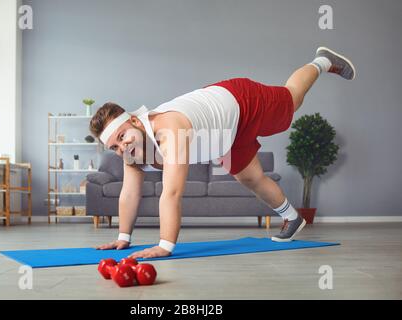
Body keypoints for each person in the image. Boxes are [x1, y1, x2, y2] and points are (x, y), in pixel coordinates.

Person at [89, 47, 355, 259]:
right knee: (250, 178)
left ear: (135, 121)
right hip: (221, 137)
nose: (122, 147)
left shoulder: (170, 131)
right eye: (114, 146)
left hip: (240, 103)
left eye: (123, 137)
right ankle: (292, 218)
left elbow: (171, 193)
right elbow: (129, 193)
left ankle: (321, 61)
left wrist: (165, 245)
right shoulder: (130, 153)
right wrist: (124, 238)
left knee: (292, 99)